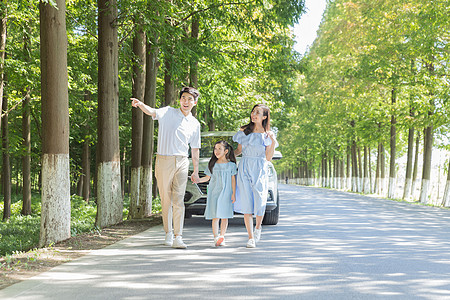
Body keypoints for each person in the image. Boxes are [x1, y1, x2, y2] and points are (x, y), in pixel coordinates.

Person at [131, 87, 201, 249]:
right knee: (166, 199)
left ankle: (178, 236)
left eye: (190, 99)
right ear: (180, 100)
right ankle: (168, 232)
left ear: (194, 103)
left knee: (178, 199)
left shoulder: (195, 123)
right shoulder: (168, 112)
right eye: (183, 98)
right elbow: (152, 111)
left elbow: (195, 149)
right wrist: (141, 104)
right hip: (164, 159)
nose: (186, 101)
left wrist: (196, 170)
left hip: (183, 161)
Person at [233, 104, 278, 248]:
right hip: (245, 166)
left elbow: (268, 157)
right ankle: (250, 237)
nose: (254, 114)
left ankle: (258, 227)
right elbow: (238, 151)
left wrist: (272, 142)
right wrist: (223, 157)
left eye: (258, 112)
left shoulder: (267, 134)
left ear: (264, 117)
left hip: (260, 168)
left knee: (260, 199)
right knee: (246, 200)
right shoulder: (243, 131)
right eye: (253, 111)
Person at [197, 141, 237, 247]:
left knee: (224, 216)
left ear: (226, 151)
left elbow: (233, 180)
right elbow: (207, 178)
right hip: (214, 192)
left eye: (220, 148)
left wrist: (233, 193)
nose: (217, 151)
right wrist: (198, 180)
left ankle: (222, 236)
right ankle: (216, 237)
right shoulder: (212, 164)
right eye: (215, 149)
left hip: (227, 193)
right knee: (215, 216)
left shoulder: (231, 165)